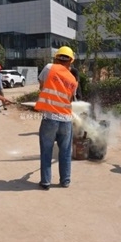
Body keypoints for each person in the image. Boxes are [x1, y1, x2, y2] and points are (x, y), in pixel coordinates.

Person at [34, 46, 78, 190]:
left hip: (50, 118)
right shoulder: (73, 79)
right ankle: (65, 180)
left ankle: (46, 181)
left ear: (56, 58)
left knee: (46, 150)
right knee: (65, 152)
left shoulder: (48, 68)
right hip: (66, 120)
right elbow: (70, 99)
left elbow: (42, 86)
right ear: (70, 61)